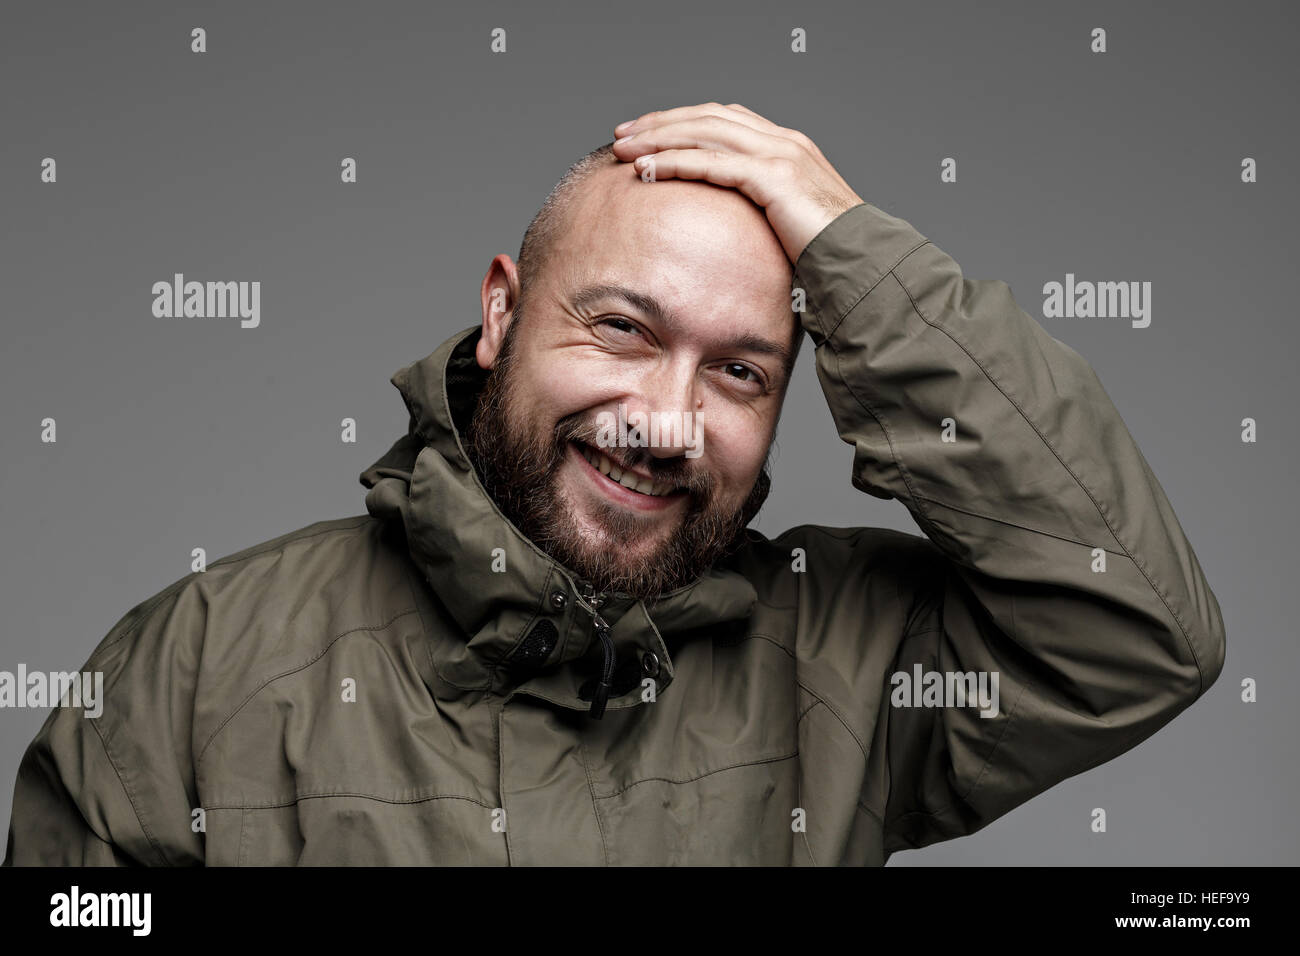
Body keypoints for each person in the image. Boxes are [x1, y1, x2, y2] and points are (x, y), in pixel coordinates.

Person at [3, 103, 1225, 865]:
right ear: (501, 313)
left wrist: (862, 264)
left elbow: (1136, 632)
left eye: (739, 370)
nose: (667, 420)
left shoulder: (845, 661)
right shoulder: (201, 659)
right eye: (626, 330)